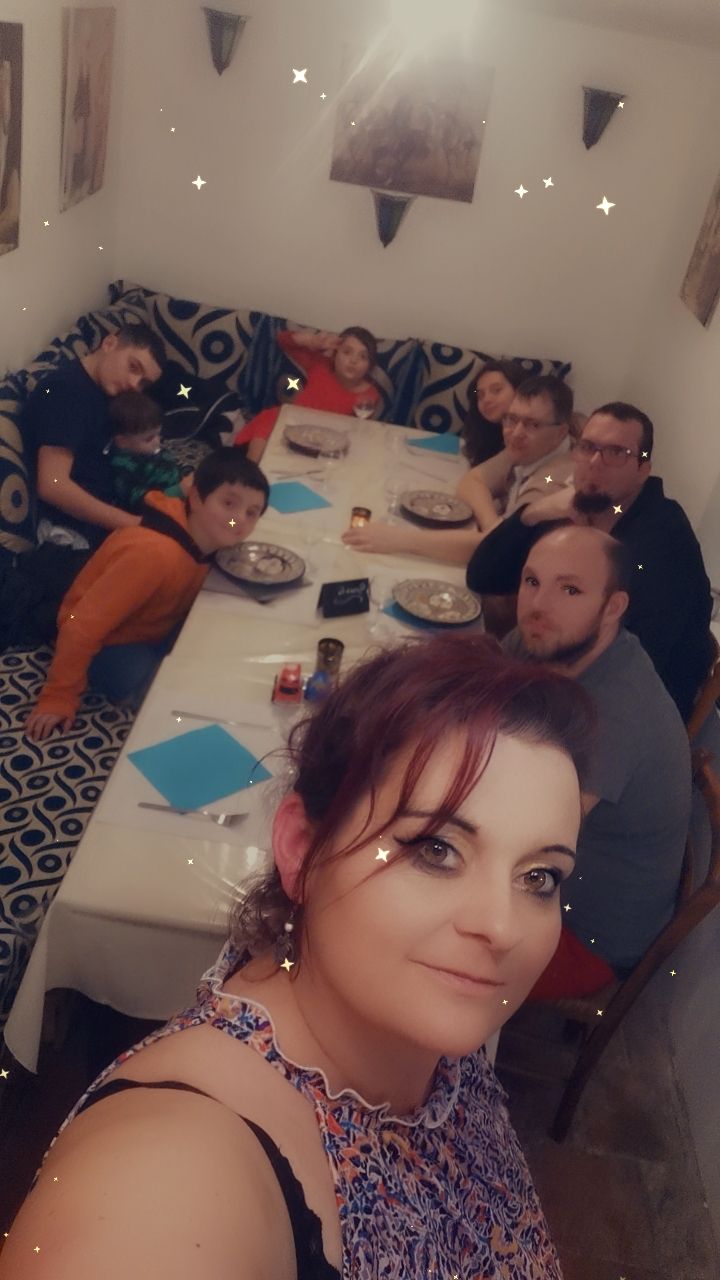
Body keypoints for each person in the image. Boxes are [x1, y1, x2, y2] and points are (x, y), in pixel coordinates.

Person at [5, 634, 595, 1279]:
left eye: (539, 877)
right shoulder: (171, 1172)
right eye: (435, 849)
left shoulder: (428, 1025)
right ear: (301, 850)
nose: (502, 928)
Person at [504, 526, 691, 998]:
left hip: (585, 934)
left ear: (613, 607)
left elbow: (522, 840)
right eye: (531, 581)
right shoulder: (548, 639)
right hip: (547, 876)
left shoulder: (615, 713)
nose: (538, 604)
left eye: (570, 589)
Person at [467, 401, 714, 720]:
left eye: (616, 453)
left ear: (642, 469)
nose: (595, 462)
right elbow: (482, 576)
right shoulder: (578, 509)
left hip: (627, 707)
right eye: (588, 447)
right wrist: (532, 513)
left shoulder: (663, 541)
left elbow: (639, 662)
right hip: (558, 669)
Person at [24, 449, 269, 741]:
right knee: (151, 681)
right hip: (109, 641)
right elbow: (80, 626)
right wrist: (58, 696)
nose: (237, 519)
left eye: (251, 513)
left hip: (150, 624)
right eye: (228, 504)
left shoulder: (206, 538)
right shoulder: (153, 554)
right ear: (195, 497)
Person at [342, 374, 574, 567]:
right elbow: (472, 481)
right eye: (511, 419)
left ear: (561, 432)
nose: (516, 432)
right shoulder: (529, 448)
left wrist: (398, 539)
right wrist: (493, 525)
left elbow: (492, 550)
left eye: (533, 424)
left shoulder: (550, 480)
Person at [22, 321, 166, 551]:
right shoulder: (66, 390)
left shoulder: (108, 392)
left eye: (143, 382)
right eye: (133, 367)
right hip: (70, 532)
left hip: (113, 512)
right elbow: (52, 485)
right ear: (109, 343)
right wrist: (135, 524)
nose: (134, 384)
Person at [234, 326, 381, 463]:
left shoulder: (369, 394)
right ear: (335, 354)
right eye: (347, 352)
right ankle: (251, 469)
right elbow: (283, 339)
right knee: (268, 424)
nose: (353, 361)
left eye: (363, 357)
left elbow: (359, 432)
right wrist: (311, 340)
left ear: (370, 365)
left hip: (322, 441)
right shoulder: (320, 365)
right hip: (286, 425)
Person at [106, 390, 191, 513]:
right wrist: (179, 491)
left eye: (158, 435)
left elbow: (169, 466)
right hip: (162, 511)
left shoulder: (150, 450)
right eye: (149, 439)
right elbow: (138, 501)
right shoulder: (124, 467)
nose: (157, 442)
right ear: (122, 442)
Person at [461, 358, 527, 465]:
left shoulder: (534, 436)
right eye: (480, 395)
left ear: (519, 390)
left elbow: (549, 474)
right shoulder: (486, 438)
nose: (486, 399)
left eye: (497, 390)